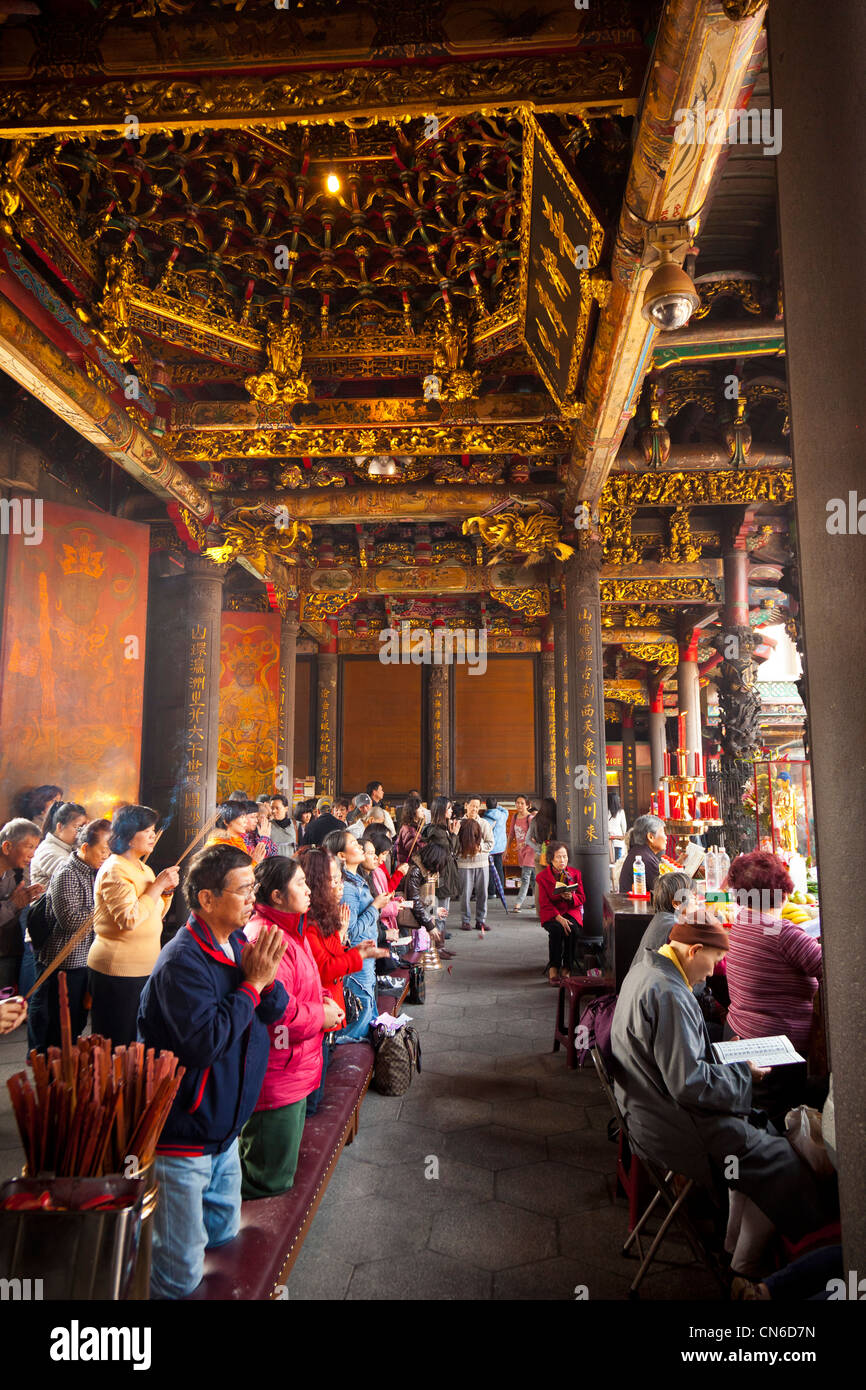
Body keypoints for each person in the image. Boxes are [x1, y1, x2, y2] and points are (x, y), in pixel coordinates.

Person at [611, 916, 827, 1244]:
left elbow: (675, 1062)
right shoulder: (670, 993)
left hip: (643, 1111)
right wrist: (744, 1072)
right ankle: (813, 1248)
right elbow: (689, 1085)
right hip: (669, 1125)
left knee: (766, 1132)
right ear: (694, 951)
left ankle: (740, 1251)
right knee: (782, 1159)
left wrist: (724, 1056)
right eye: (712, 961)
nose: (712, 972)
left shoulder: (646, 969)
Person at [138, 844, 289, 1299]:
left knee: (223, 1243)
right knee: (179, 1272)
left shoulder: (237, 941)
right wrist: (253, 984)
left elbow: (273, 1010)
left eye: (254, 889)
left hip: (224, 1133)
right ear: (207, 899)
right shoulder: (183, 961)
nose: (252, 899)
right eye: (244, 890)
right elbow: (204, 1044)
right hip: (184, 1137)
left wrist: (267, 979)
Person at [238, 856, 345, 1197]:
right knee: (266, 1180)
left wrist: (324, 1000)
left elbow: (303, 985)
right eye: (300, 883)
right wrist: (321, 1016)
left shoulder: (289, 930)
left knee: (278, 1173)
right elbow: (278, 1017)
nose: (309, 889)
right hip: (277, 1074)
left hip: (294, 1068)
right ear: (276, 896)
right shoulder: (267, 938)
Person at [300, 846, 389, 1109]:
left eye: (340, 879)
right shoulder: (309, 923)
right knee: (311, 1101)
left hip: (331, 1011)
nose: (340, 886)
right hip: (321, 1013)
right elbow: (325, 970)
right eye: (333, 880)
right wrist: (356, 955)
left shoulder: (327, 916)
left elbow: (335, 958)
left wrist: (348, 946)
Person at [87, 804, 180, 1044]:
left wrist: (166, 893)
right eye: (147, 830)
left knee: (137, 1041)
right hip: (118, 969)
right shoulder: (115, 870)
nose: (153, 835)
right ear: (129, 836)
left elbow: (154, 913)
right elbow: (130, 919)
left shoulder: (143, 868)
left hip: (145, 967)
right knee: (117, 1042)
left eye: (153, 829)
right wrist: (158, 887)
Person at [29, 817, 111, 1049]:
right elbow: (71, 921)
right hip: (65, 961)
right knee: (60, 1024)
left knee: (76, 1022)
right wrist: (107, 906)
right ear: (85, 847)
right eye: (103, 849)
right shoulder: (67, 872)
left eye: (110, 850)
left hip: (86, 959)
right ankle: (52, 1071)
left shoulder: (95, 871)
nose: (106, 855)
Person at [0, 819, 43, 990]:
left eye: (35, 848)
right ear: (7, 847)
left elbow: (22, 901)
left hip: (10, 949)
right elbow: (15, 904)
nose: (32, 855)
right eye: (29, 847)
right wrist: (12, 905)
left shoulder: (18, 872)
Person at [536, 841, 587, 982]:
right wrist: (558, 917)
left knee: (572, 929)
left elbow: (582, 897)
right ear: (551, 858)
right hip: (552, 913)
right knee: (557, 930)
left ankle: (567, 967)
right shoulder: (542, 877)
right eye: (558, 857)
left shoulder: (575, 874)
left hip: (571, 911)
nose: (562, 860)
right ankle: (554, 966)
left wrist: (572, 897)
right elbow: (544, 903)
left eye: (564, 857)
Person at [457, 799, 495, 932]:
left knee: (482, 893)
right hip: (464, 864)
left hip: (482, 863)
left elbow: (491, 843)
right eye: (472, 806)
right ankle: (465, 921)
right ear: (466, 805)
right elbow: (455, 844)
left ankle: (481, 920)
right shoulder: (458, 824)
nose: (474, 809)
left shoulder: (483, 823)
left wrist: (480, 848)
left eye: (477, 807)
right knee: (465, 894)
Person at [30, 802, 88, 887]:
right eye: (78, 827)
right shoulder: (48, 851)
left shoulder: (68, 847)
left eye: (84, 827)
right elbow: (73, 877)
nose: (82, 832)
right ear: (60, 827)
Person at [421, 797, 460, 921]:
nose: (451, 811)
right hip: (442, 874)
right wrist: (454, 834)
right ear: (441, 810)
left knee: (444, 904)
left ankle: (441, 932)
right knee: (441, 907)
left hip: (446, 873)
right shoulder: (437, 831)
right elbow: (448, 851)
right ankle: (439, 934)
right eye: (449, 808)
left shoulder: (443, 828)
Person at [404, 840, 450, 943]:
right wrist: (430, 926)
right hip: (402, 915)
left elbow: (416, 900)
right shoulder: (415, 871)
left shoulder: (419, 869)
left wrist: (433, 910)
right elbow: (414, 902)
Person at [617, 813, 666, 895]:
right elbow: (662, 894)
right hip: (636, 906)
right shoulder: (645, 859)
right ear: (650, 837)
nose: (666, 837)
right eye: (663, 832)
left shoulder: (640, 852)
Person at [506, 794, 537, 913]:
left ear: (528, 805)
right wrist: (507, 849)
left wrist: (523, 843)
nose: (519, 805)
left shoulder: (530, 818)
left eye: (522, 803)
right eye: (517, 803)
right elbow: (511, 834)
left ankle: (518, 904)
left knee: (525, 878)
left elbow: (533, 837)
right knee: (534, 879)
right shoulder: (514, 816)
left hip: (530, 851)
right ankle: (538, 901)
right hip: (521, 852)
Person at [482, 796, 509, 901]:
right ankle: (500, 891)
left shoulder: (485, 819)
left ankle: (491, 892)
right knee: (499, 869)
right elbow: (505, 810)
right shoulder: (503, 815)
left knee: (489, 870)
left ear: (486, 806)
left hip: (490, 848)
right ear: (497, 805)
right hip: (500, 847)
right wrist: (499, 807)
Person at [394, 794, 426, 866]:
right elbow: (416, 849)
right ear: (413, 810)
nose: (422, 810)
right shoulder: (410, 830)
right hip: (409, 868)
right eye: (420, 808)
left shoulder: (410, 826)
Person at [608, 789, 628, 862]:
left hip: (607, 843)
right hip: (618, 841)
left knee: (609, 864)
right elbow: (624, 828)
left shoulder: (604, 812)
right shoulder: (620, 812)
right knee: (618, 863)